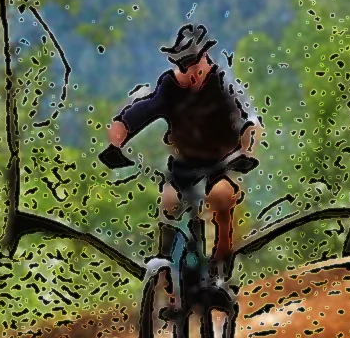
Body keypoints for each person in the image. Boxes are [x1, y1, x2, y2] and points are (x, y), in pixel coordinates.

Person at [106, 23, 262, 290]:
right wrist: (118, 138)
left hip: (220, 163)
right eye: (181, 63)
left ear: (204, 58)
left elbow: (249, 119)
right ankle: (165, 266)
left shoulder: (223, 82)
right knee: (169, 202)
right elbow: (145, 110)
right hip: (183, 164)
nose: (187, 70)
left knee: (222, 196)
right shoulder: (170, 85)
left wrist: (247, 150)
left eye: (191, 62)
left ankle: (222, 260)